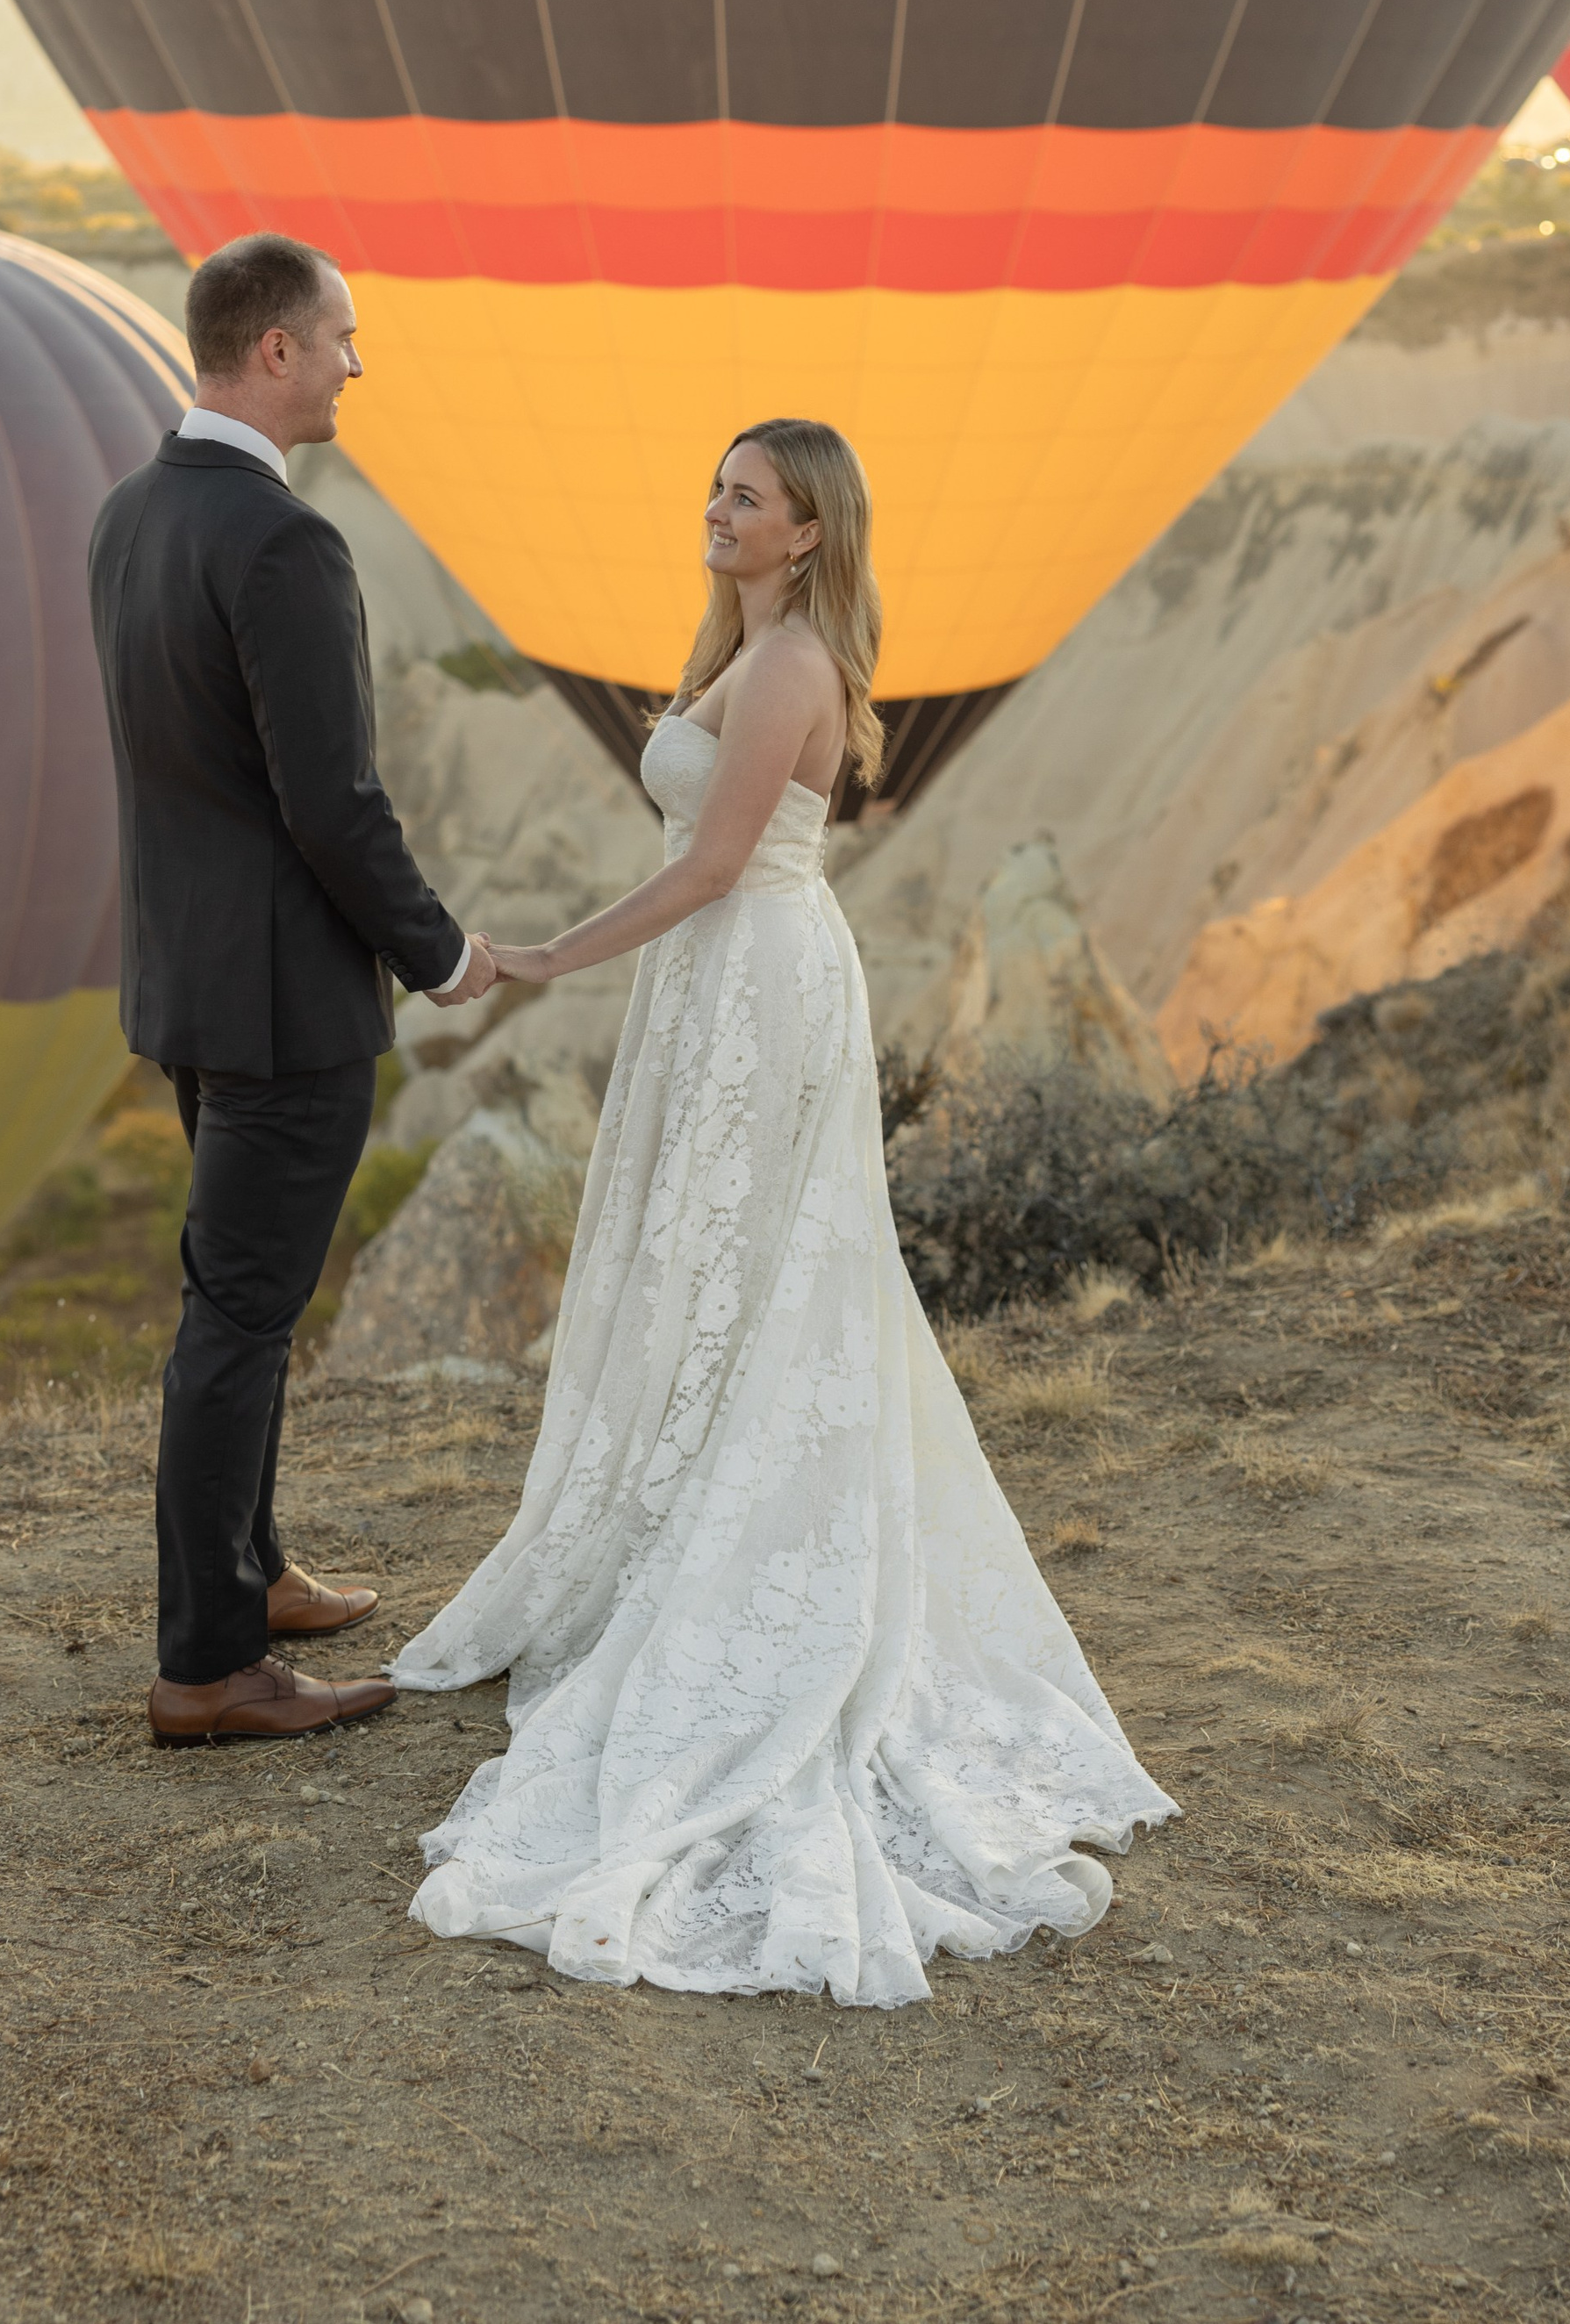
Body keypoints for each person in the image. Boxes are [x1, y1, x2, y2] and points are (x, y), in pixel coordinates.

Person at [392, 419, 1175, 2003]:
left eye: (749, 496)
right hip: (720, 984)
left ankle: (741, 1565)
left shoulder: (800, 664)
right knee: (708, 1267)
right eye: (717, 486)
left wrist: (543, 954)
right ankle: (664, 1526)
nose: (718, 509)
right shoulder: (741, 646)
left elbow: (713, 864)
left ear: (811, 531)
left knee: (762, 1273)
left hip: (753, 973)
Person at [89, 233, 495, 1746]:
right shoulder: (283, 545)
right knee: (241, 1319)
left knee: (237, 1302)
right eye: (339, 337)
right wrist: (443, 951)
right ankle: (207, 1664)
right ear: (272, 350)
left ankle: (249, 1574)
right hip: (282, 1003)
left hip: (189, 985)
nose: (353, 362)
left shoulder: (130, 518)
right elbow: (332, 801)